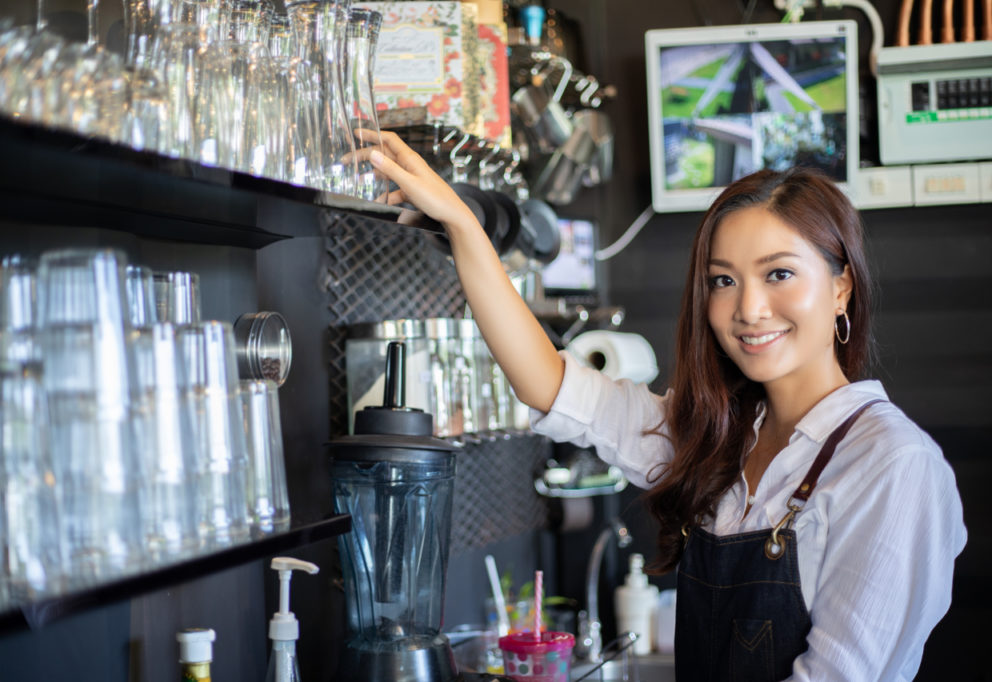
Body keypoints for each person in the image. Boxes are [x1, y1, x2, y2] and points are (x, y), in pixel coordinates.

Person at [359, 130, 967, 681]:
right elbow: (547, 384)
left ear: (841, 287)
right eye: (723, 280)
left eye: (779, 274)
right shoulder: (714, 436)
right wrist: (465, 228)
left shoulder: (892, 465)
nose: (748, 309)